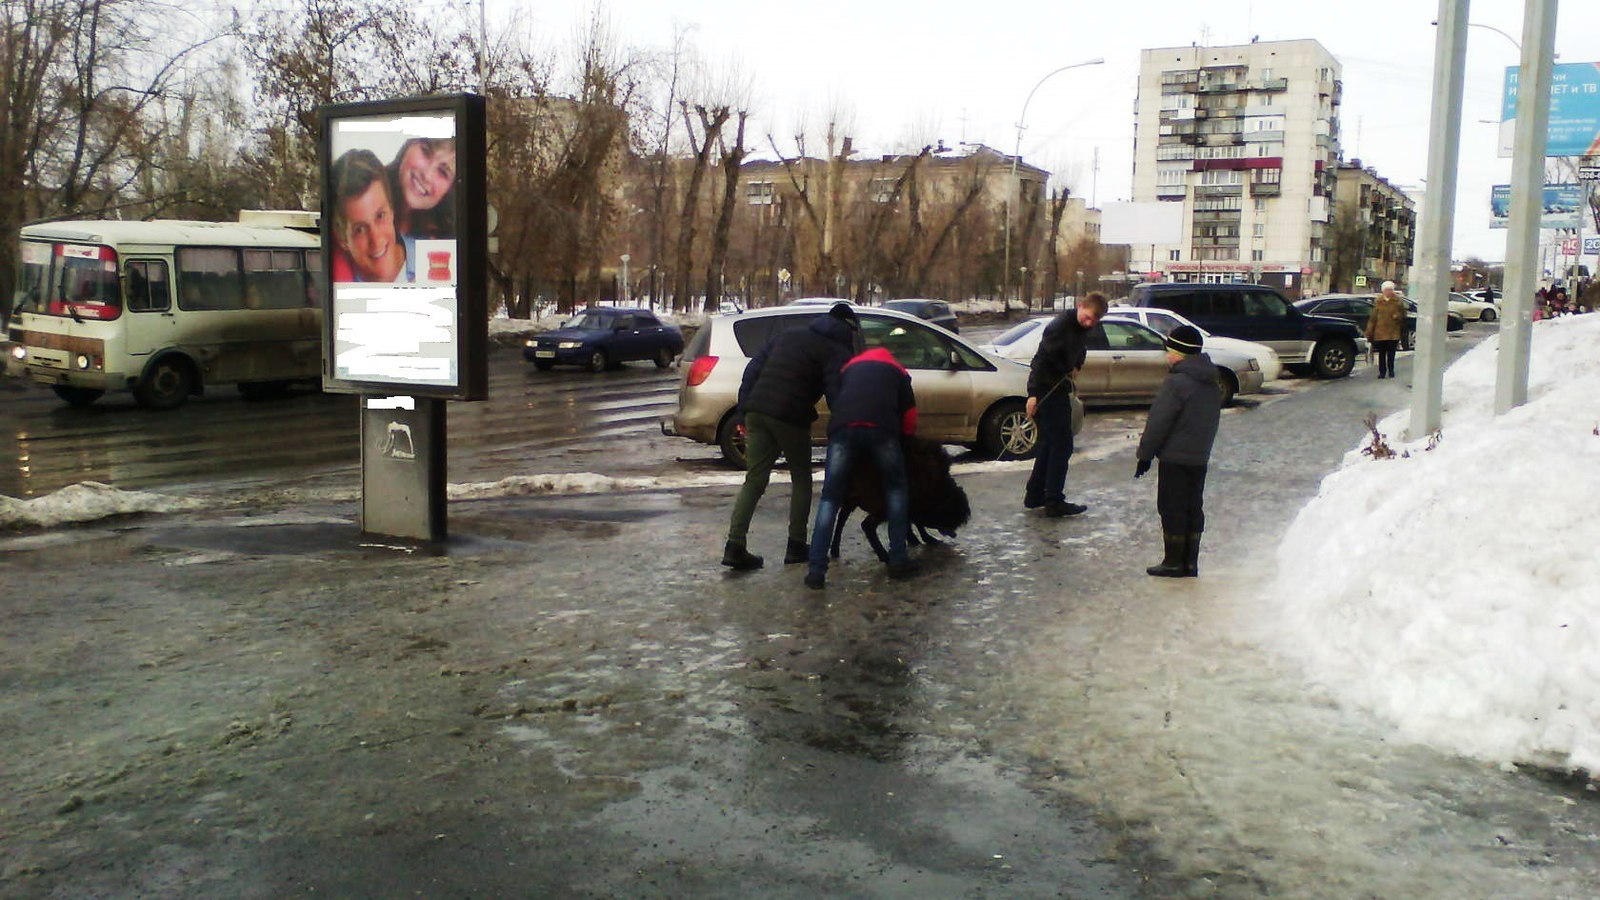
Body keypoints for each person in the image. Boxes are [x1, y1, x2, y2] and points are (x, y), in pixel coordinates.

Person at [721, 303, 859, 570]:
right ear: (848, 329)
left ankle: (734, 545)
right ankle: (796, 545)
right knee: (801, 478)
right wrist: (845, 426)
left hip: (757, 410)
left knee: (755, 479)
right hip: (789, 416)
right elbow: (835, 394)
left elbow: (752, 371)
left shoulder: (788, 334)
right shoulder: (835, 350)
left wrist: (743, 410)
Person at [804, 344, 919, 589]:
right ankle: (898, 560)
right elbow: (909, 416)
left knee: (830, 498)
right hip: (882, 430)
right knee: (896, 489)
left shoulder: (848, 370)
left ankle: (816, 570)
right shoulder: (899, 372)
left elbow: (837, 399)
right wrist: (905, 441)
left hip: (843, 430)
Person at [1134, 325, 1221, 578]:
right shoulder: (1211, 381)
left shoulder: (1177, 383)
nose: (1166, 356)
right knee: (1192, 506)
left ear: (1179, 354)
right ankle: (1189, 562)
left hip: (1174, 456)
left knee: (1171, 507)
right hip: (1199, 455)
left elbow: (1159, 422)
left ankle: (1173, 562)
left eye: (1169, 351)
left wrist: (1145, 455)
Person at [1024, 291, 1107, 517]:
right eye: (1088, 317)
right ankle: (1054, 500)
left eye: (1094, 321)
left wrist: (1077, 364)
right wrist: (1033, 394)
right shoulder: (1060, 327)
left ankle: (1035, 495)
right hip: (1046, 390)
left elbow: (1081, 349)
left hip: (1059, 388)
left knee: (1051, 444)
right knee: (1062, 445)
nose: (1090, 323)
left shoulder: (1082, 328)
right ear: (1080, 306)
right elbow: (1040, 360)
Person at [330, 148, 406, 283]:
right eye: (359, 229)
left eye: (380, 216)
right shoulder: (342, 291)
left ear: (392, 210)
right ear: (342, 239)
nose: (376, 240)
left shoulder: (431, 256)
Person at [1364, 280, 1406, 379]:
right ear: (1383, 291)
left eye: (1390, 290)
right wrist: (1369, 331)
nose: (1389, 292)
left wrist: (1398, 316)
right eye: (1387, 290)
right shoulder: (1378, 302)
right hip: (1380, 332)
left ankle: (1391, 371)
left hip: (1393, 333)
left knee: (1391, 354)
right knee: (1382, 354)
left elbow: (1404, 314)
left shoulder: (1398, 301)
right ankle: (1382, 372)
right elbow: (1373, 318)